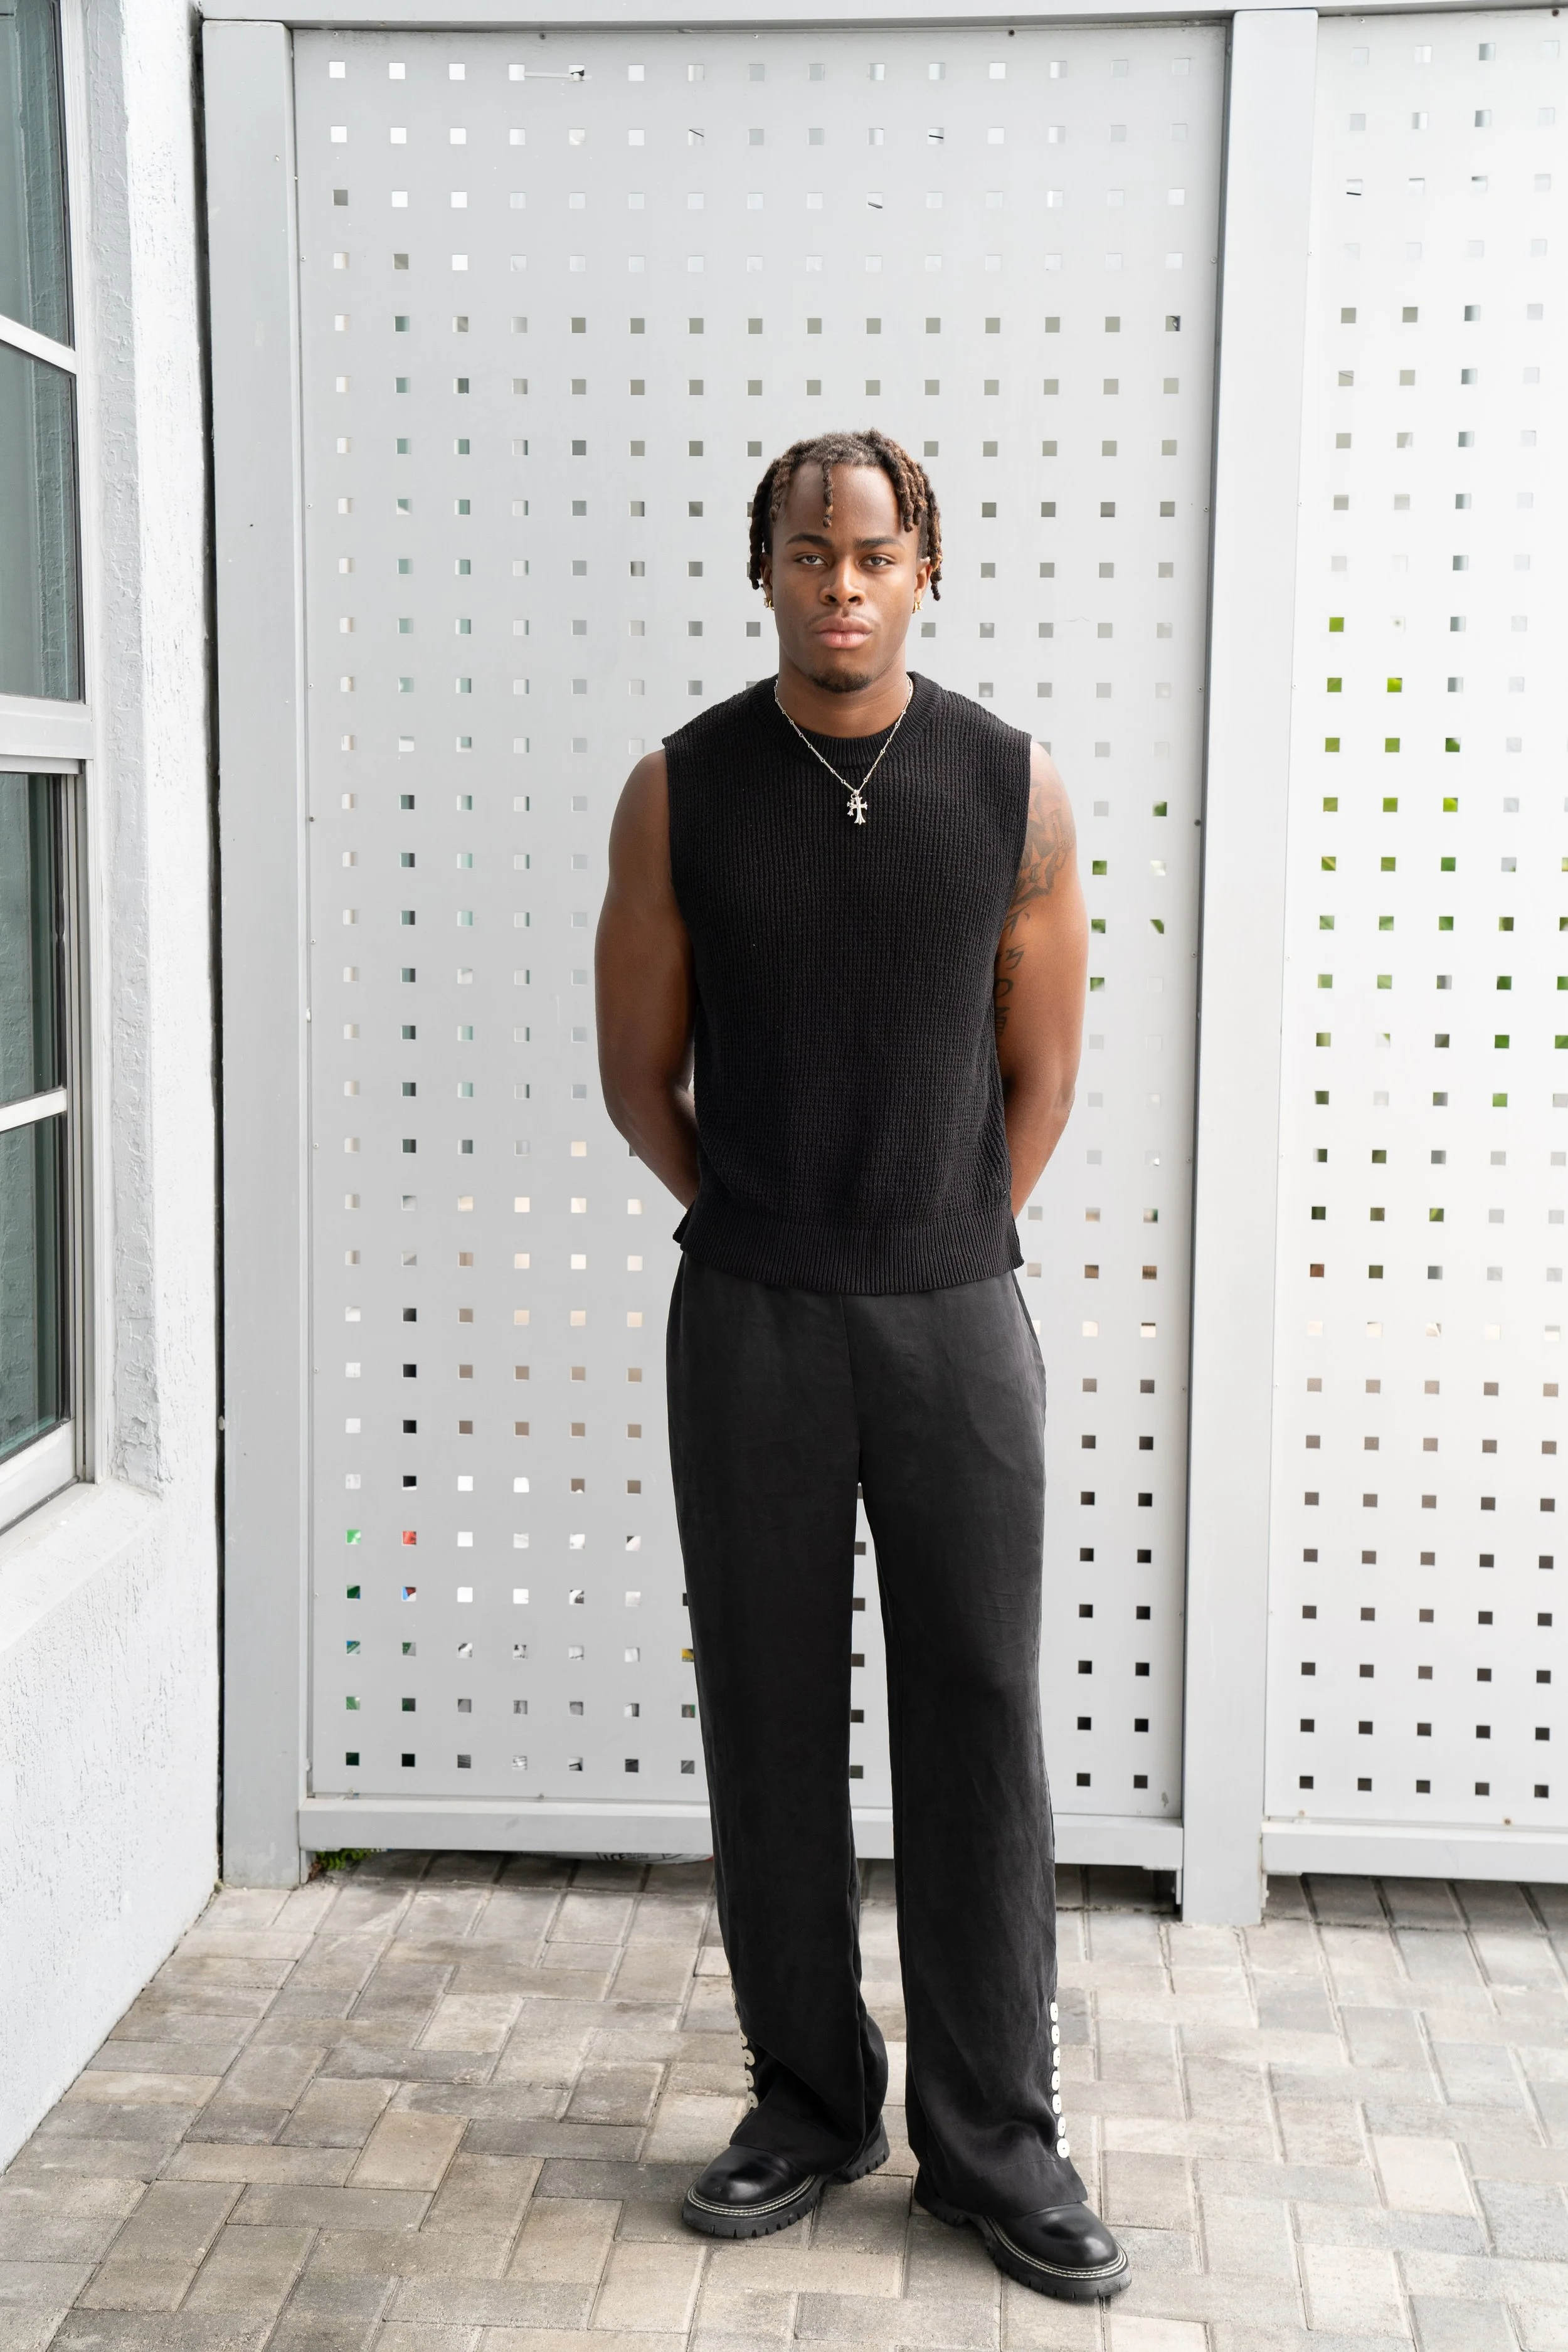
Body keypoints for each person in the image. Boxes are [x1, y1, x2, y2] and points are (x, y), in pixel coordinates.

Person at [595, 429, 1126, 2304]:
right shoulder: (680, 789)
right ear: (764, 568)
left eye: (874, 553)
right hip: (751, 1313)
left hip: (951, 1317)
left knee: (975, 1707)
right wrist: (771, 1220)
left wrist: (933, 1237)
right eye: (809, 551)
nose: (841, 583)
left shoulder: (1011, 786)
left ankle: (996, 2142)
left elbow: (1042, 1073)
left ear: (925, 571)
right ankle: (809, 2104)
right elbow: (637, 1079)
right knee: (765, 1707)